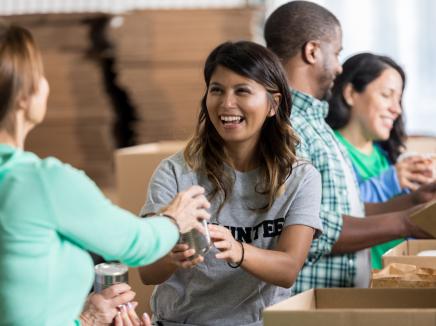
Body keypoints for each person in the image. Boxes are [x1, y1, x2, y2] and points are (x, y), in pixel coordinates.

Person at [0, 22, 211, 326]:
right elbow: (135, 244)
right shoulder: (41, 182)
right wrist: (174, 220)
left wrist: (84, 320)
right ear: (23, 95)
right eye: (40, 75)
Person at [139, 41, 323, 326]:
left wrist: (237, 249)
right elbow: (147, 273)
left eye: (242, 91)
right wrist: (172, 255)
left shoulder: (300, 177)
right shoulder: (176, 173)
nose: (226, 104)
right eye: (217, 90)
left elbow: (288, 267)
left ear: (273, 104)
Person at [264, 0, 436, 293]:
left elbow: (341, 212)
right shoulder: (286, 127)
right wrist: (406, 222)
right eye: (338, 52)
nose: (340, 66)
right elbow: (306, 230)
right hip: (304, 305)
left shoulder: (315, 124)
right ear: (313, 51)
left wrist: (413, 202)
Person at [326, 53, 434, 268]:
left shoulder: (385, 156)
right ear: (350, 93)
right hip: (357, 287)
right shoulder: (330, 149)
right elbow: (334, 216)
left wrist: (420, 198)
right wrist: (390, 181)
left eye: (399, 98)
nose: (397, 109)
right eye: (386, 95)